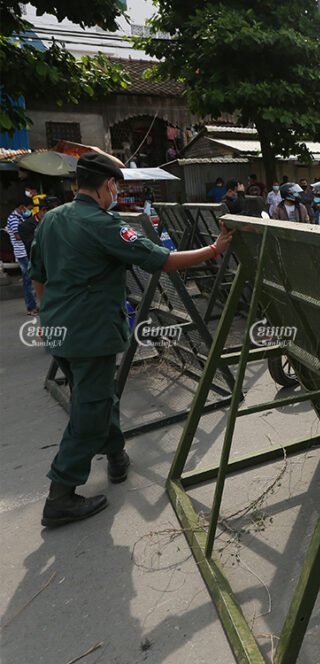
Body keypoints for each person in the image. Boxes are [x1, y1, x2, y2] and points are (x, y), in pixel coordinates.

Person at [30, 152, 234, 527]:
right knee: (89, 411)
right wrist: (214, 250)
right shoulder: (104, 224)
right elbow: (163, 260)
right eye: (116, 187)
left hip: (59, 332)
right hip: (91, 335)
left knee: (98, 395)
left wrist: (46, 315)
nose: (116, 193)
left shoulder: (51, 220)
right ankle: (60, 494)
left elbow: (37, 274)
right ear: (109, 184)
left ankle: (117, 455)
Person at [6, 194, 39, 315]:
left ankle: (33, 305)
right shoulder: (13, 218)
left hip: (26, 251)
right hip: (22, 252)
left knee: (31, 279)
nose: (29, 211)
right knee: (28, 280)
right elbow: (18, 236)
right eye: (28, 208)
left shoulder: (21, 218)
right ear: (21, 207)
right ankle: (31, 307)